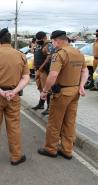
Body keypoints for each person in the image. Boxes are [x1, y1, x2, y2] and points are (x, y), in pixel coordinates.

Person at [0, 28, 30, 166]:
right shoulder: (21, 55)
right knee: (14, 127)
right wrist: (14, 91)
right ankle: (16, 156)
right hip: (13, 97)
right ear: (10, 40)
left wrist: (1, 92)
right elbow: (26, 78)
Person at [38, 30, 89, 160]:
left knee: (55, 122)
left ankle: (51, 148)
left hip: (62, 93)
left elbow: (53, 75)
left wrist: (44, 91)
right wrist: (82, 85)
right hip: (75, 92)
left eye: (53, 41)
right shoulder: (78, 52)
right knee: (70, 122)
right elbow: (85, 71)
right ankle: (67, 150)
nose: (53, 44)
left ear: (58, 41)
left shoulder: (60, 54)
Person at [32, 31, 54, 115]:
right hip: (38, 70)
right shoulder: (39, 45)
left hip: (45, 70)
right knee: (40, 88)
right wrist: (34, 65)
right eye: (38, 39)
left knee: (46, 89)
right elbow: (35, 54)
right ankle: (41, 104)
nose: (38, 40)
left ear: (45, 37)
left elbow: (49, 57)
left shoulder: (48, 45)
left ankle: (49, 107)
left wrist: (41, 67)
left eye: (40, 39)